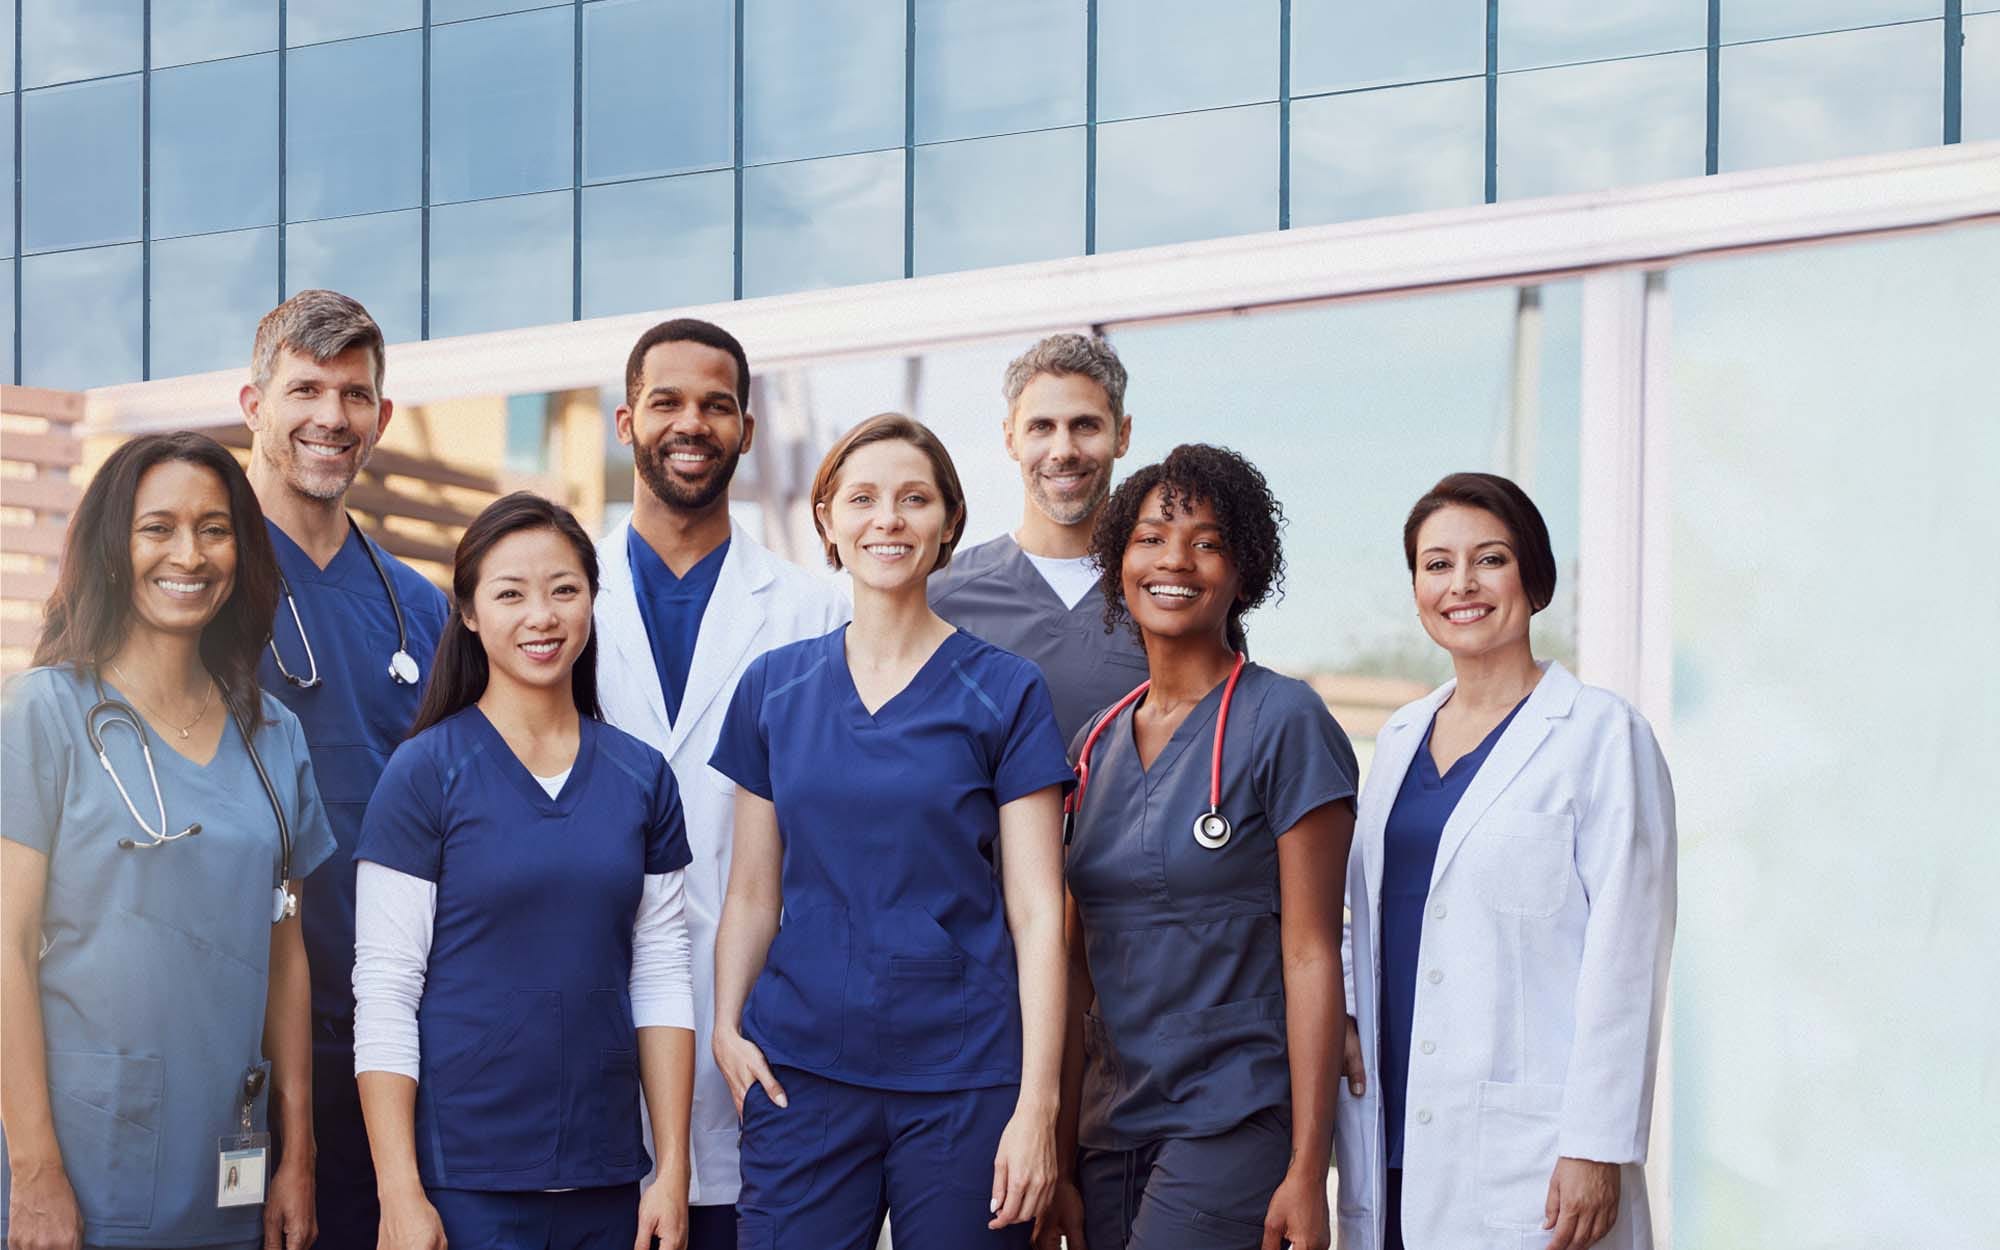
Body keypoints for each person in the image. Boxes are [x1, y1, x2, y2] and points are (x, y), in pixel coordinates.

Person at [709, 415, 1072, 1248]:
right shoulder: (773, 688)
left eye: (915, 499)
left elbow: (1037, 912)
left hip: (965, 1081)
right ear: (827, 520)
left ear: (948, 522)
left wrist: (1036, 1107)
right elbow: (753, 890)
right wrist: (727, 1028)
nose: (889, 520)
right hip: (800, 1076)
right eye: (863, 499)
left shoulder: (1005, 692)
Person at [1, 432, 337, 1250]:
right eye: (157, 527)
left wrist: (300, 1154)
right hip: (86, 1159)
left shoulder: (274, 734)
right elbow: (4, 946)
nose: (188, 553)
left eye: (214, 528)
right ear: (114, 545)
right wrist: (35, 1167)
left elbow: (286, 950)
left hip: (231, 1157)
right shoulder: (43, 713)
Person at [1334, 473, 1676, 1250]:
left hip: (1534, 1150)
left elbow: (1628, 955)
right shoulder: (1397, 738)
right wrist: (1346, 1011)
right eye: (1436, 564)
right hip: (1393, 1130)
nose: (1462, 585)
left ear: (1533, 576)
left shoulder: (1600, 736)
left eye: (1489, 560)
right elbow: (1370, 910)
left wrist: (1598, 1142)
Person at [352, 492, 696, 1250]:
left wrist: (672, 1168)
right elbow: (384, 992)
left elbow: (663, 975)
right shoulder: (423, 774)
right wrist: (400, 1193)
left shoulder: (642, 777)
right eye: (510, 593)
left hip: (607, 1183)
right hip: (463, 1185)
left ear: (592, 602)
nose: (542, 616)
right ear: (469, 612)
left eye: (564, 590)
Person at [1036, 444, 1356, 1250]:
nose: (1173, 559)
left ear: (1242, 574)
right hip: (1112, 1125)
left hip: (1232, 1112)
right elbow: (1077, 962)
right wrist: (1063, 1160)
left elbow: (1314, 953)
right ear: (1118, 566)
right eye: (1149, 538)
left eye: (1206, 542)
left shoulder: (1284, 721)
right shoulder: (1094, 745)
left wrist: (1308, 1167)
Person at [593, 318, 848, 1249]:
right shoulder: (557, 589)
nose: (690, 423)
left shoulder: (818, 610)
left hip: (771, 1030)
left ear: (746, 426)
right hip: (589, 1020)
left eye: (716, 404)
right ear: (626, 421)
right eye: (666, 402)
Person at [238, 289, 451, 1248]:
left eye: (355, 394)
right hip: (240, 1022)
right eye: (306, 389)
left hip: (391, 1034)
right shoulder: (199, 584)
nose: (332, 416)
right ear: (253, 405)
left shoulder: (423, 608)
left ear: (383, 417)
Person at [930, 333, 1147, 744]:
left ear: (1123, 434)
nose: (1063, 449)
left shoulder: (1169, 592)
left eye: (1085, 425)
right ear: (1011, 438)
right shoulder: (941, 600)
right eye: (1041, 427)